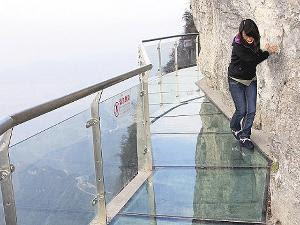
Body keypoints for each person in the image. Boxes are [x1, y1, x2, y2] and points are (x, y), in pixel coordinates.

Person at [228, 19, 277, 149]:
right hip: (236, 80)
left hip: (250, 79)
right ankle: (234, 126)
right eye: (246, 35)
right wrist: (267, 53)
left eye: (251, 35)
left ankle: (245, 136)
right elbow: (251, 60)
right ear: (241, 34)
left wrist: (265, 51)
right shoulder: (237, 44)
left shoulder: (255, 40)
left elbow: (256, 54)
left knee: (252, 110)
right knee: (242, 110)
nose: (249, 38)